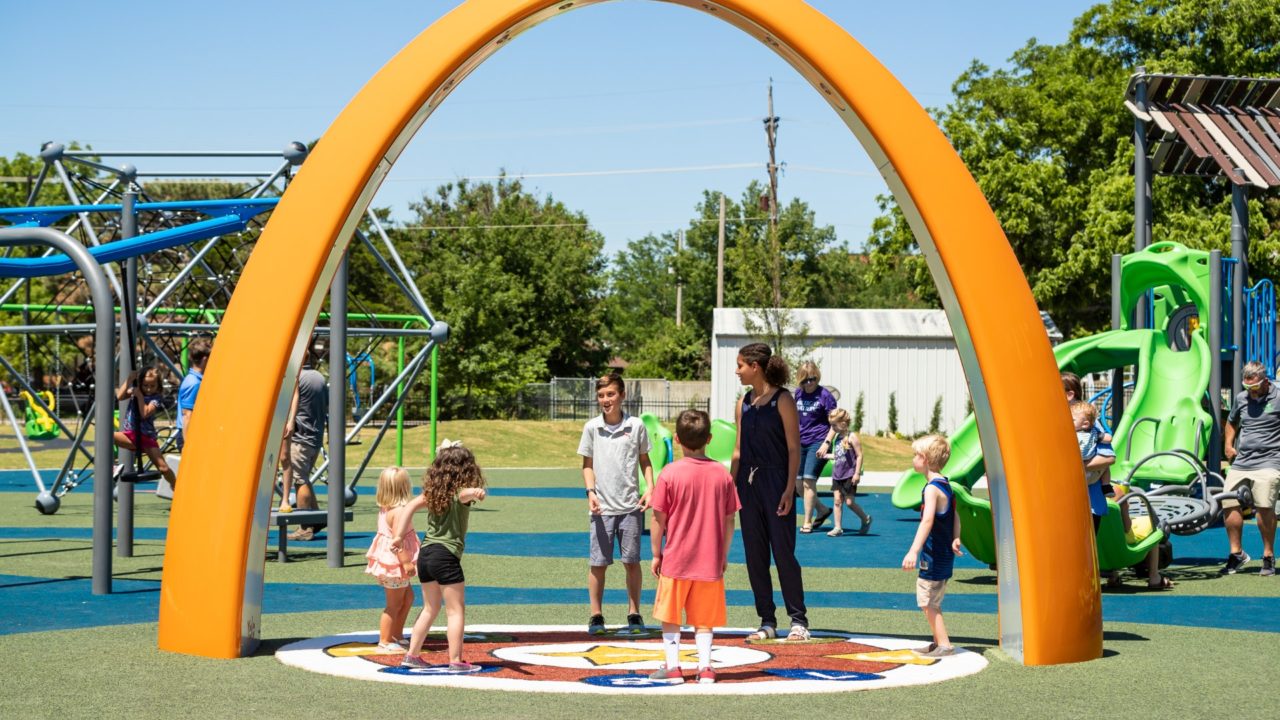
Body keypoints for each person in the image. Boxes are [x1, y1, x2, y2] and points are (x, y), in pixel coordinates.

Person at [646, 409, 740, 685]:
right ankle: (706, 667)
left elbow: (657, 518)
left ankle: (673, 667)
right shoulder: (722, 475)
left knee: (670, 615)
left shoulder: (669, 474)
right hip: (709, 560)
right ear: (709, 439)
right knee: (704, 618)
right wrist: (722, 555)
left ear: (676, 439)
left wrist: (655, 553)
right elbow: (730, 519)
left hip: (676, 559)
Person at [731, 342, 810, 642]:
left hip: (777, 482)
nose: (736, 371)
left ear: (756, 366)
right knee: (755, 556)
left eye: (740, 365)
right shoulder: (743, 402)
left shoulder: (783, 400)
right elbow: (738, 451)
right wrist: (729, 488)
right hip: (748, 486)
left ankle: (798, 620)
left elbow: (794, 448)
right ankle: (767, 620)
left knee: (783, 553)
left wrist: (790, 488)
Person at [394, 443, 488, 672]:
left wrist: (398, 536)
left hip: (425, 554)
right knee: (455, 610)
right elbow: (465, 494)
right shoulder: (460, 493)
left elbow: (408, 508)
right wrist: (475, 492)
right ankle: (456, 660)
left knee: (430, 608)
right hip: (445, 556)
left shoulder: (431, 494)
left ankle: (412, 655)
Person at [578, 373, 653, 635]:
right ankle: (596, 615)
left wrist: (650, 488)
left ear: (622, 395)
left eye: (611, 394)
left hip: (631, 507)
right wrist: (590, 492)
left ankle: (634, 612)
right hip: (601, 510)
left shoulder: (636, 425)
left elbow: (645, 461)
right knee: (598, 563)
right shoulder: (591, 428)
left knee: (632, 561)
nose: (606, 400)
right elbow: (587, 466)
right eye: (601, 395)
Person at [901, 434, 961, 657]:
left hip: (933, 555)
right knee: (931, 599)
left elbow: (928, 520)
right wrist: (956, 537)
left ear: (925, 459)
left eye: (916, 455)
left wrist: (913, 551)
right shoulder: (945, 484)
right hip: (943, 552)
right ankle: (937, 641)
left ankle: (945, 644)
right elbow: (955, 515)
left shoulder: (931, 488)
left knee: (928, 601)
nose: (913, 459)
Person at [1221, 361, 1278, 576]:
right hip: (1243, 461)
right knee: (1228, 502)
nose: (1250, 392)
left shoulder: (1278, 397)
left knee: (1264, 505)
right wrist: (1228, 445)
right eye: (1247, 387)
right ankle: (1237, 554)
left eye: (1254, 387)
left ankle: (1268, 556)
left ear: (1265, 382)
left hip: (1270, 461)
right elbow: (1232, 422)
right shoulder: (1241, 399)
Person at [364, 466, 420, 653]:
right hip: (394, 565)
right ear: (405, 487)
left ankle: (397, 634)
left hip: (391, 565)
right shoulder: (399, 511)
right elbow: (398, 541)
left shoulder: (387, 507)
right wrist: (406, 562)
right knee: (394, 604)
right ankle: (385, 640)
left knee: (408, 597)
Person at [282, 342, 329, 539]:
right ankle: (317, 517)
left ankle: (305, 526)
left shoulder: (298, 379)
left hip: (300, 436)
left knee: (299, 480)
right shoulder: (319, 377)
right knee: (305, 478)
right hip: (315, 435)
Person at [113, 366, 177, 489]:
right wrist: (129, 380)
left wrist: (140, 396)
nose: (148, 389)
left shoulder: (156, 398)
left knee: (163, 468)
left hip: (146, 437)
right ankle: (114, 466)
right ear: (140, 384)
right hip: (131, 434)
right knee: (106, 436)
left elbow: (145, 413)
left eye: (152, 386)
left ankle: (175, 485)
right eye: (145, 385)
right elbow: (120, 397)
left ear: (158, 386)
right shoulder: (136, 391)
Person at [793, 361, 835, 533]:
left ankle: (808, 522)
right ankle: (823, 510)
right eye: (805, 380)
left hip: (818, 442)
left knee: (809, 481)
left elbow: (834, 423)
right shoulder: (798, 394)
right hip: (800, 443)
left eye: (812, 379)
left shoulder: (825, 395)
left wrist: (826, 443)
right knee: (798, 486)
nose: (809, 383)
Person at [818, 408, 871, 536]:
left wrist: (857, 473)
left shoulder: (852, 437)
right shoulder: (837, 437)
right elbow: (837, 455)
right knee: (837, 501)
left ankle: (865, 518)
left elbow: (859, 455)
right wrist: (825, 455)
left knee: (849, 502)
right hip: (837, 474)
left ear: (842, 424)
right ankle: (838, 527)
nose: (832, 428)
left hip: (849, 475)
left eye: (834, 425)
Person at [1071, 400, 1111, 533]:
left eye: (1073, 419)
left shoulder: (1093, 430)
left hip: (1090, 491)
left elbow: (1109, 457)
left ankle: (1106, 485)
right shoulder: (1072, 430)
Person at [174, 336, 211, 451]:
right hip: (188, 436)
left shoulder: (196, 380)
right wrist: (188, 445)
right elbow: (187, 415)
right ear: (205, 359)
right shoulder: (194, 383)